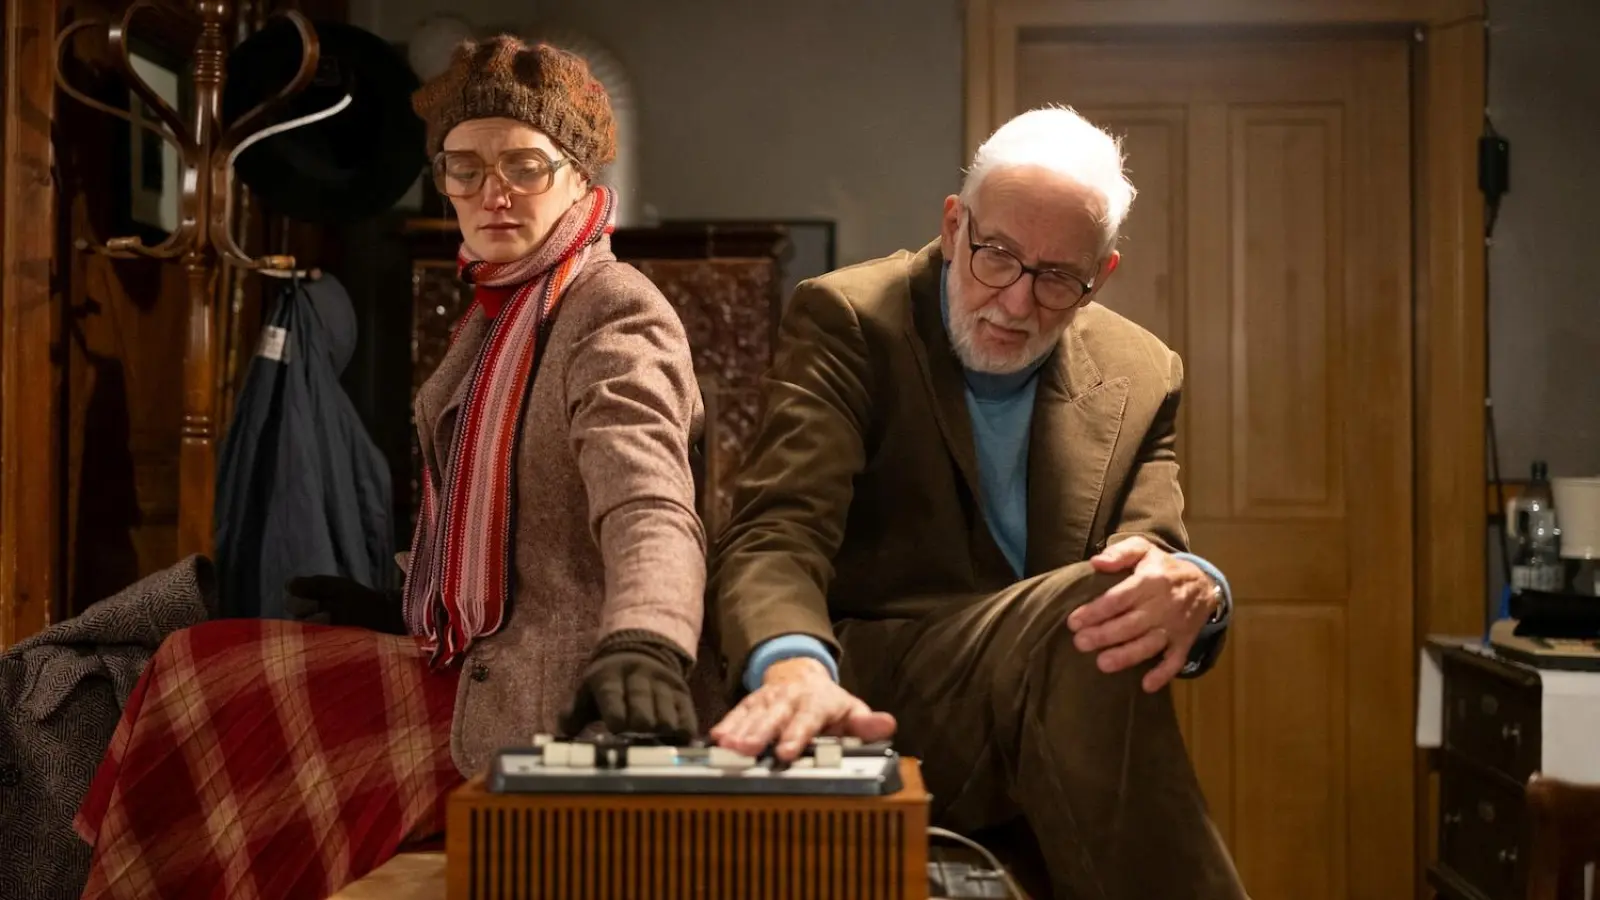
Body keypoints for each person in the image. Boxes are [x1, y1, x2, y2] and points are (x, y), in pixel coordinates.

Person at [74, 37, 712, 900]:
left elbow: (650, 501)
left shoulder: (609, 308)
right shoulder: (498, 310)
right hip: (463, 655)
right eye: (463, 167)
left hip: (552, 689)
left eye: (524, 165)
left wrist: (647, 642)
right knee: (190, 661)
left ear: (578, 177)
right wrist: (395, 599)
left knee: (215, 697)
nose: (491, 192)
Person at [707, 107, 1247, 899]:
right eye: (997, 256)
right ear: (955, 224)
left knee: (1118, 597)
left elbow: (1150, 557)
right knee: (1094, 606)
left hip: (1051, 713)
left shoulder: (1144, 370)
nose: (1018, 302)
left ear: (1103, 274)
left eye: (1059, 277)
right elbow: (777, 530)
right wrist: (789, 665)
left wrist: (1202, 589)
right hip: (884, 699)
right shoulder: (851, 318)